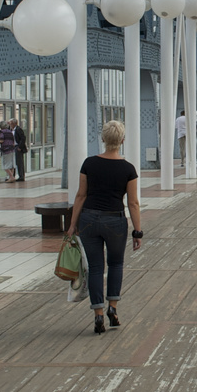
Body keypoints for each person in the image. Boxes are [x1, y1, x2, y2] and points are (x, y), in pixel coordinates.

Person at [67, 120, 143, 335]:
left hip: (89, 219)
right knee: (116, 264)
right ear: (122, 140)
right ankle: (113, 309)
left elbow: (81, 195)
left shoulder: (89, 164)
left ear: (103, 139)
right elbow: (133, 203)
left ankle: (98, 314)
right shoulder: (128, 169)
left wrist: (72, 225)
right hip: (115, 221)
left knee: (95, 268)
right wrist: (138, 231)